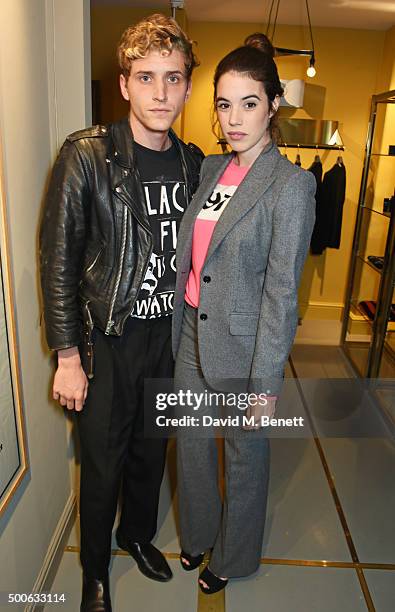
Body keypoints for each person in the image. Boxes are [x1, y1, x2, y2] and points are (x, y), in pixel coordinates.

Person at [39, 14, 203, 612]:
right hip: (106, 339)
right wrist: (66, 356)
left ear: (188, 87)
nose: (161, 92)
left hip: (169, 337)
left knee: (149, 451)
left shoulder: (193, 163)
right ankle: (95, 570)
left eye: (174, 78)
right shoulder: (87, 156)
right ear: (126, 83)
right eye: (147, 76)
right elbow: (57, 259)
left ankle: (136, 534)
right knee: (102, 463)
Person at [171, 33, 316, 594]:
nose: (234, 119)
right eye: (224, 104)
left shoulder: (291, 186)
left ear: (273, 105)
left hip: (243, 343)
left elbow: (282, 293)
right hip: (191, 330)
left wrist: (265, 384)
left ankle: (234, 556)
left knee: (244, 457)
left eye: (248, 103)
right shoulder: (211, 170)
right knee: (191, 443)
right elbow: (193, 260)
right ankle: (201, 533)